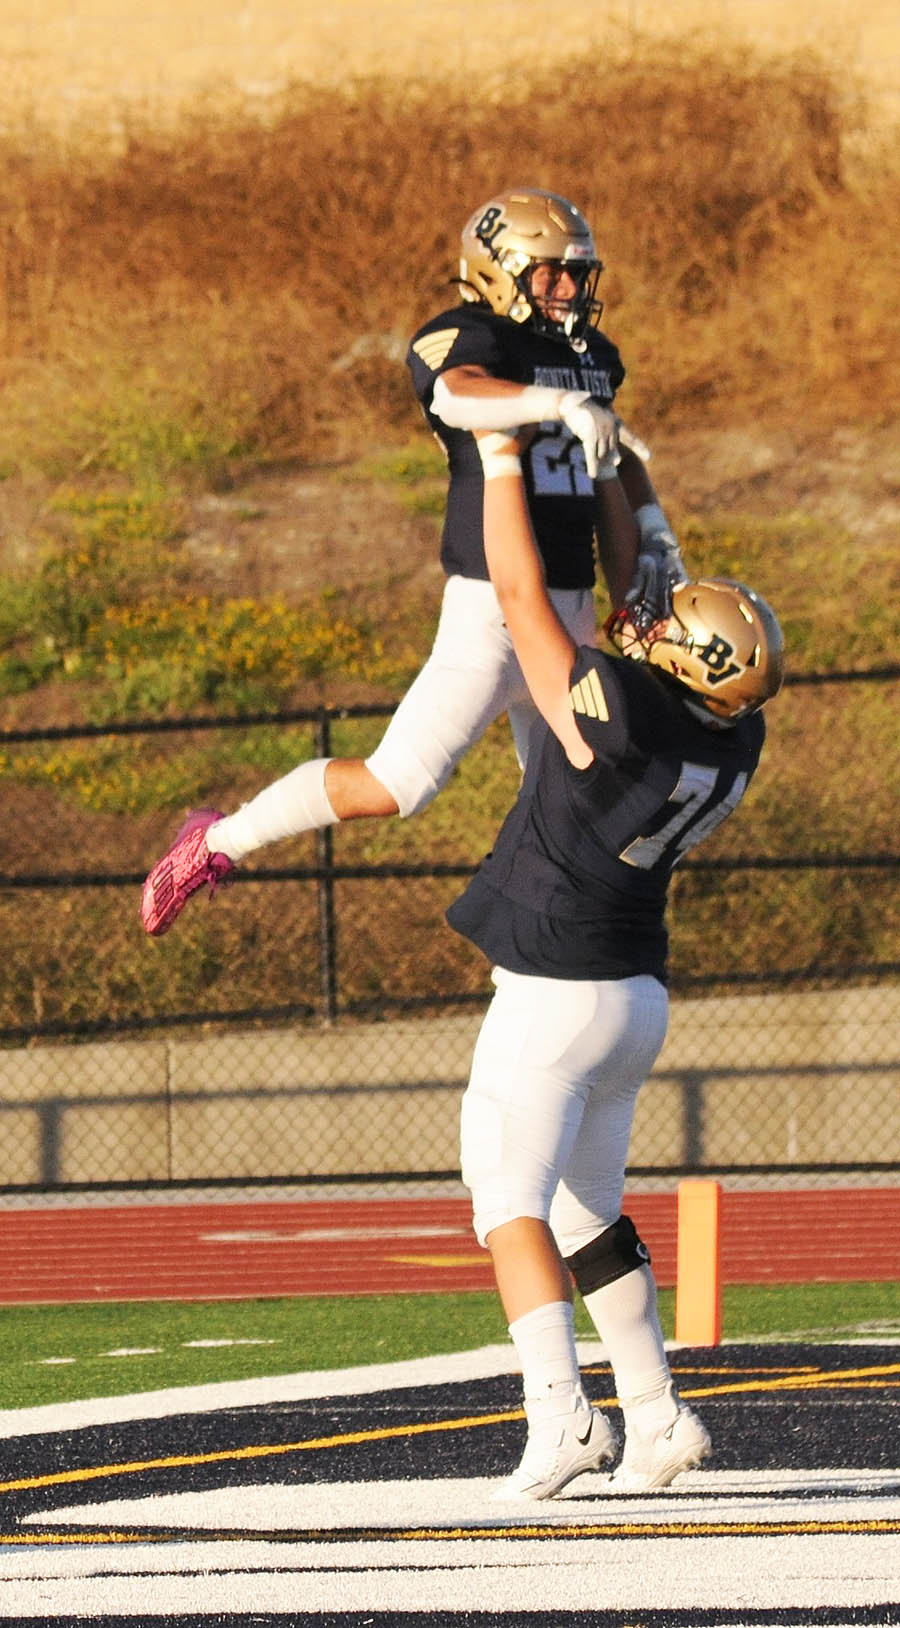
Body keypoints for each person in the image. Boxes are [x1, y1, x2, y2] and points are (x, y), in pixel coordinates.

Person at [141, 187, 684, 936]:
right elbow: (459, 397)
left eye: (576, 275)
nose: (569, 291)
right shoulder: (468, 336)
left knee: (579, 804)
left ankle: (541, 953)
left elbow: (613, 457)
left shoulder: (591, 357)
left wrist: (656, 532)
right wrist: (552, 404)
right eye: (550, 273)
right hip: (494, 608)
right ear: (499, 271)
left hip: (573, 604)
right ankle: (216, 841)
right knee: (400, 783)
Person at [447, 425, 783, 1501]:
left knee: (506, 1196)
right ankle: (658, 1414)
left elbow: (513, 585)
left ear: (678, 664)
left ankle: (561, 1415)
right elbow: (669, 588)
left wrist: (500, 457)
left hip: (559, 985)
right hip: (634, 989)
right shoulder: (731, 731)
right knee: (589, 1212)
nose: (649, 618)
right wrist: (631, 477)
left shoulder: (623, 713)